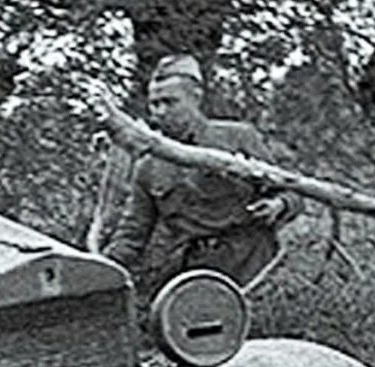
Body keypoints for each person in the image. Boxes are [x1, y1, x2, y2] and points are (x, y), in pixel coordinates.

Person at [101, 54, 299, 293]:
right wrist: (101, 268)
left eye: (170, 102)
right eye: (155, 104)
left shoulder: (237, 138)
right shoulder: (148, 166)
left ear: (195, 98)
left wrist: (277, 205)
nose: (160, 112)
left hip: (252, 264)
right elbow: (133, 232)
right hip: (193, 269)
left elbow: (291, 193)